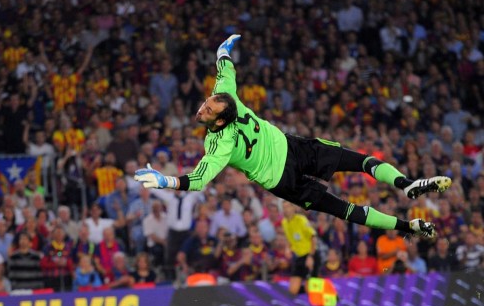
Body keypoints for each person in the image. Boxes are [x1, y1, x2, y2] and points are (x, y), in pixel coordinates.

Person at [135, 35, 450, 239]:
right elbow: (225, 67)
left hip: (283, 176)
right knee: (359, 168)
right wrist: (223, 50)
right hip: (291, 150)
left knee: (346, 203)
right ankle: (406, 203)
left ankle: (407, 203)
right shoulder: (225, 93)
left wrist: (166, 182)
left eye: (207, 108)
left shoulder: (220, 143)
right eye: (205, 103)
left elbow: (198, 180)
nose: (202, 107)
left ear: (220, 119)